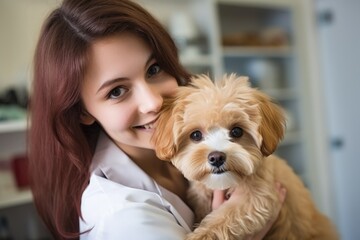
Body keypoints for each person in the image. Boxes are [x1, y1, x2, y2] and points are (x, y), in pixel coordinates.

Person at [28, 0, 286, 239]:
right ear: (82, 111)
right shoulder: (123, 218)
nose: (153, 102)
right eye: (116, 91)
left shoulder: (182, 140)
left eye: (153, 69)